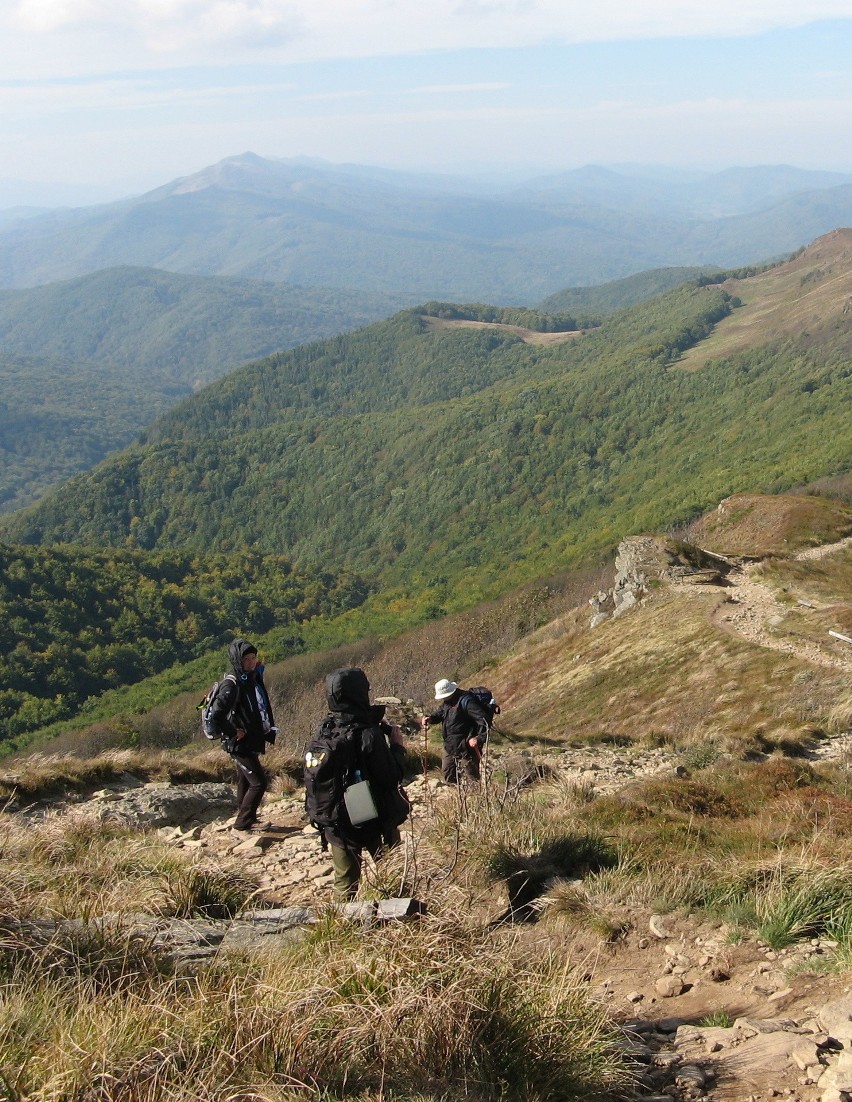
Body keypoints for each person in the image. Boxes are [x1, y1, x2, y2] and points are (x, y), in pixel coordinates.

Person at [308, 667, 409, 900]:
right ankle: (399, 920)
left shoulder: (326, 729)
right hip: (374, 818)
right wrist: (397, 746)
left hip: (338, 822)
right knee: (392, 873)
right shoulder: (368, 733)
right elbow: (390, 776)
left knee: (344, 884)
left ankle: (342, 928)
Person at [207, 638, 278, 835]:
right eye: (246, 659)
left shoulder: (247, 678)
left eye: (253, 658)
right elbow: (217, 714)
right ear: (237, 660)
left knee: (245, 781)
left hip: (249, 741)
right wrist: (232, 732)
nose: (251, 662)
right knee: (259, 783)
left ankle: (248, 817)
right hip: (239, 744)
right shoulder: (232, 684)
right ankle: (242, 824)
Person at [421, 678, 491, 784]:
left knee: (472, 778)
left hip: (467, 748)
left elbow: (484, 720)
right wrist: (430, 718)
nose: (442, 698)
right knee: (448, 773)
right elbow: (440, 713)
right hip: (450, 746)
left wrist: (478, 738)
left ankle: (475, 798)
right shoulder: (447, 702)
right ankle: (456, 797)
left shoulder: (467, 701)